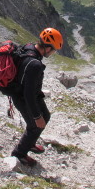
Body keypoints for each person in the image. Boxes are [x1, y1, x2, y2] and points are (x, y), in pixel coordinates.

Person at [9, 27, 63, 167]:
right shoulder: (35, 65)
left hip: (25, 92)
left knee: (46, 116)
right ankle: (19, 153)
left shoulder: (29, 47)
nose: (53, 53)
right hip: (23, 97)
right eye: (54, 50)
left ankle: (30, 143)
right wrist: (36, 116)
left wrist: (40, 115)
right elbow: (28, 95)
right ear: (48, 48)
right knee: (35, 125)